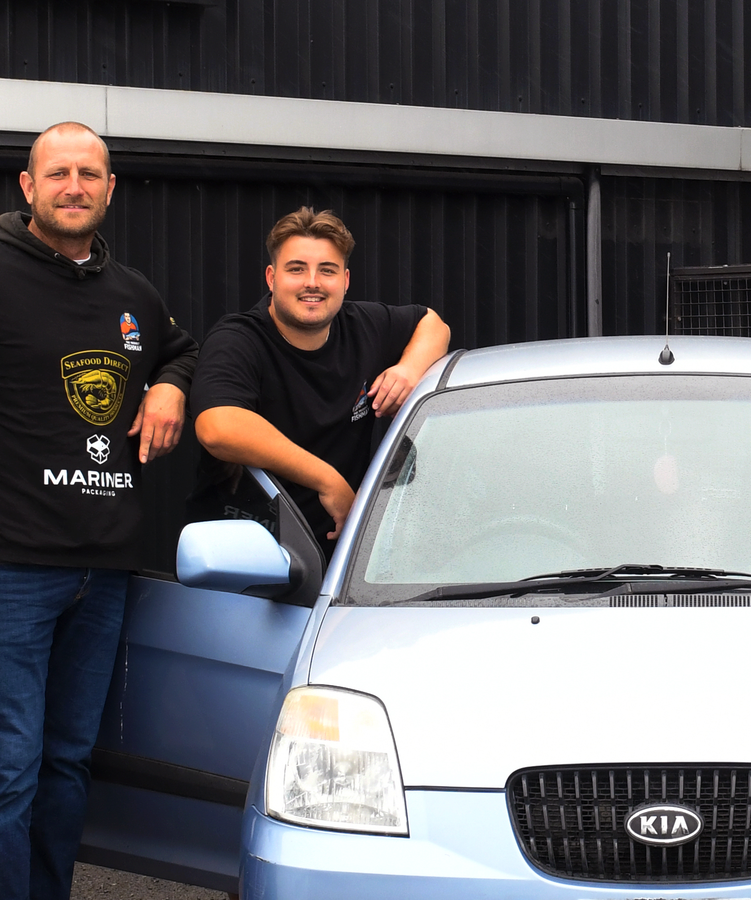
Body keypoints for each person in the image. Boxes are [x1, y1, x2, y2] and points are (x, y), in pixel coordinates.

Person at [0, 122, 198, 900]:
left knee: (67, 761)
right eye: (58, 173)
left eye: (89, 174)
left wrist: (171, 384)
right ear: (28, 186)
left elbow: (179, 348)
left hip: (105, 572)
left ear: (110, 189)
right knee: (10, 766)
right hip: (13, 567)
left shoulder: (133, 294)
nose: (74, 186)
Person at [190, 207, 450, 561]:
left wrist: (408, 369)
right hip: (245, 559)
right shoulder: (238, 339)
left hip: (343, 565)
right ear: (271, 278)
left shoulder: (363, 326)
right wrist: (327, 480)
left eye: (327, 270)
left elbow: (433, 324)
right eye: (296, 269)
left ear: (345, 280)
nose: (312, 282)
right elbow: (218, 427)